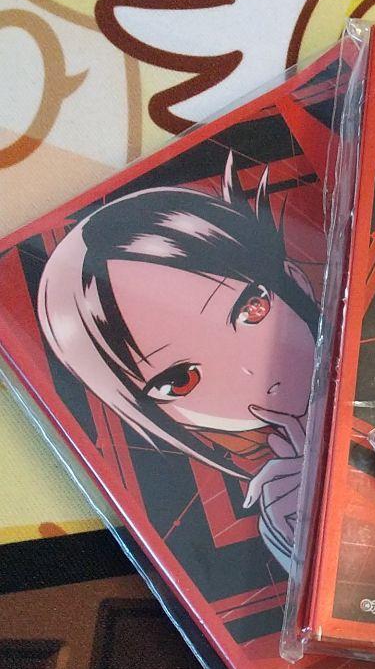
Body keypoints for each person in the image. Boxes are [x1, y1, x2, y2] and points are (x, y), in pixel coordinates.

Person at [37, 152, 316, 571]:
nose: (253, 376)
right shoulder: (284, 509)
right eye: (181, 380)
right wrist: (296, 541)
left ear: (291, 280)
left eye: (251, 309)